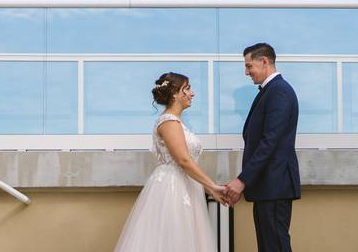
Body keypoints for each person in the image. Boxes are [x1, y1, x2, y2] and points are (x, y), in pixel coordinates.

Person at [114, 72, 227, 252]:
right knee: (173, 238)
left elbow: (188, 162)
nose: (192, 93)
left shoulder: (178, 123)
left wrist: (208, 188)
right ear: (175, 93)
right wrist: (213, 187)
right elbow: (183, 160)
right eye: (187, 88)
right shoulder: (168, 122)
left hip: (187, 186)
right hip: (173, 188)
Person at [224, 43, 300, 252]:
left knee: (274, 245)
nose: (246, 72)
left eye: (249, 66)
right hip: (267, 186)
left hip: (274, 185)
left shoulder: (279, 91)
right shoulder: (272, 91)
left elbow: (270, 141)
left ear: (264, 61)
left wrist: (242, 180)